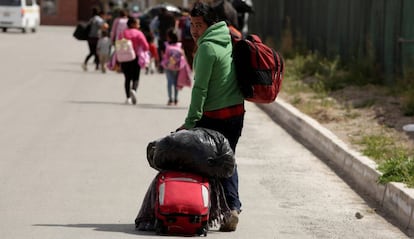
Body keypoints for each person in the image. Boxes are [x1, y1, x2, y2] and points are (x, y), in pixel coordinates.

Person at [176, 2, 244, 232]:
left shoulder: (206, 48)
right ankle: (232, 208)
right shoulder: (227, 38)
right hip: (236, 114)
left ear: (209, 24)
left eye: (199, 25)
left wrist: (191, 121)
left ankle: (204, 209)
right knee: (228, 160)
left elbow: (200, 89)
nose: (194, 30)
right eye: (191, 24)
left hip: (215, 116)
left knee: (204, 161)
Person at [118, 17, 149, 105]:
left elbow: (119, 44)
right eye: (137, 23)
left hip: (125, 58)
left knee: (127, 78)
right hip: (136, 58)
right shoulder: (139, 33)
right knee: (136, 77)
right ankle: (134, 90)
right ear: (132, 24)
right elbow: (146, 46)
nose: (139, 25)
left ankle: (128, 98)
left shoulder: (123, 33)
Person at [161, 29, 185, 106]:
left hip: (168, 66)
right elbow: (183, 56)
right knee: (176, 83)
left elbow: (164, 56)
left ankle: (170, 99)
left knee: (169, 82)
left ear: (169, 37)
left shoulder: (167, 45)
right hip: (177, 67)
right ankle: (176, 99)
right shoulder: (179, 45)